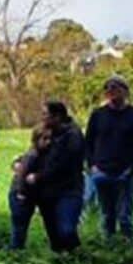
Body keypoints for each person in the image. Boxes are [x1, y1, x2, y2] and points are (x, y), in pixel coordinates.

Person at [85, 76, 133, 242]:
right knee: (106, 215)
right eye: (108, 89)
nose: (111, 91)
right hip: (101, 171)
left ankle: (128, 247)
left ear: (125, 92)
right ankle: (109, 246)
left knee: (125, 215)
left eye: (115, 88)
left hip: (125, 172)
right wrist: (92, 166)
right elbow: (88, 142)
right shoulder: (98, 115)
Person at [30, 100, 88, 254]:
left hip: (68, 189)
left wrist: (39, 176)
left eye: (45, 115)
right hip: (47, 192)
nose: (42, 118)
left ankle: (76, 256)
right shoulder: (47, 134)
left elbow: (64, 164)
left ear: (58, 116)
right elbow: (34, 155)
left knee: (66, 230)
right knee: (54, 235)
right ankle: (62, 263)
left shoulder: (73, 136)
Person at [7, 120, 50, 251]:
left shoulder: (45, 155)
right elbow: (21, 174)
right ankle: (15, 251)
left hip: (31, 194)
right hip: (21, 194)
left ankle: (17, 249)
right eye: (45, 139)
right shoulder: (32, 155)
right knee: (19, 226)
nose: (48, 142)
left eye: (50, 138)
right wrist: (21, 192)